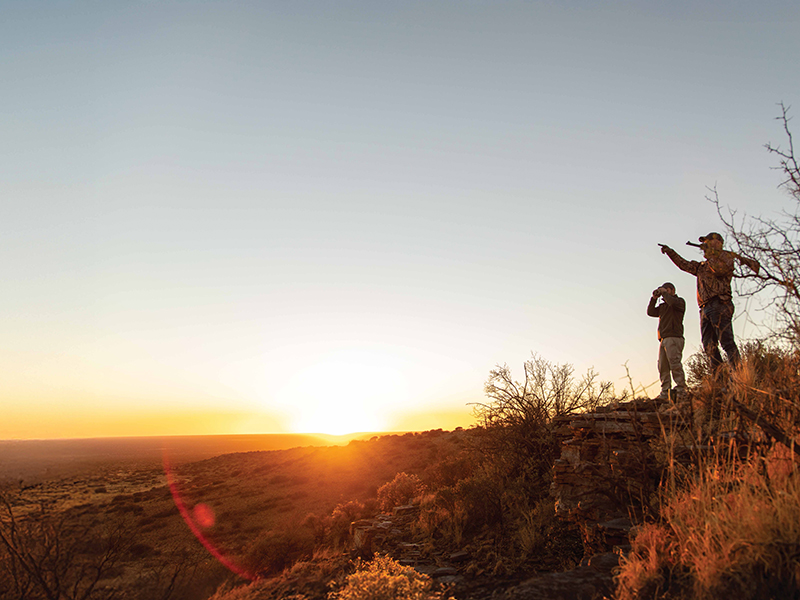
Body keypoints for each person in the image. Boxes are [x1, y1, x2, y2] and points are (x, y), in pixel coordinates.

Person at [660, 232, 740, 370]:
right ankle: (718, 380)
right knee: (709, 346)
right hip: (704, 308)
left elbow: (719, 270)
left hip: (720, 303)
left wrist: (710, 255)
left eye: (708, 242)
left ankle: (740, 375)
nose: (704, 245)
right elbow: (684, 264)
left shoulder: (726, 258)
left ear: (718, 243)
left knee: (726, 342)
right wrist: (670, 252)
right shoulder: (702, 266)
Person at [647, 282, 687, 401]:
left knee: (674, 363)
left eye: (667, 290)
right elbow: (650, 312)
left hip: (674, 337)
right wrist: (654, 298)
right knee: (662, 366)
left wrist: (664, 293)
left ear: (672, 290)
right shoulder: (663, 307)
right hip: (663, 338)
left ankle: (681, 389)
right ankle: (665, 391)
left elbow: (672, 302)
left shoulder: (679, 302)